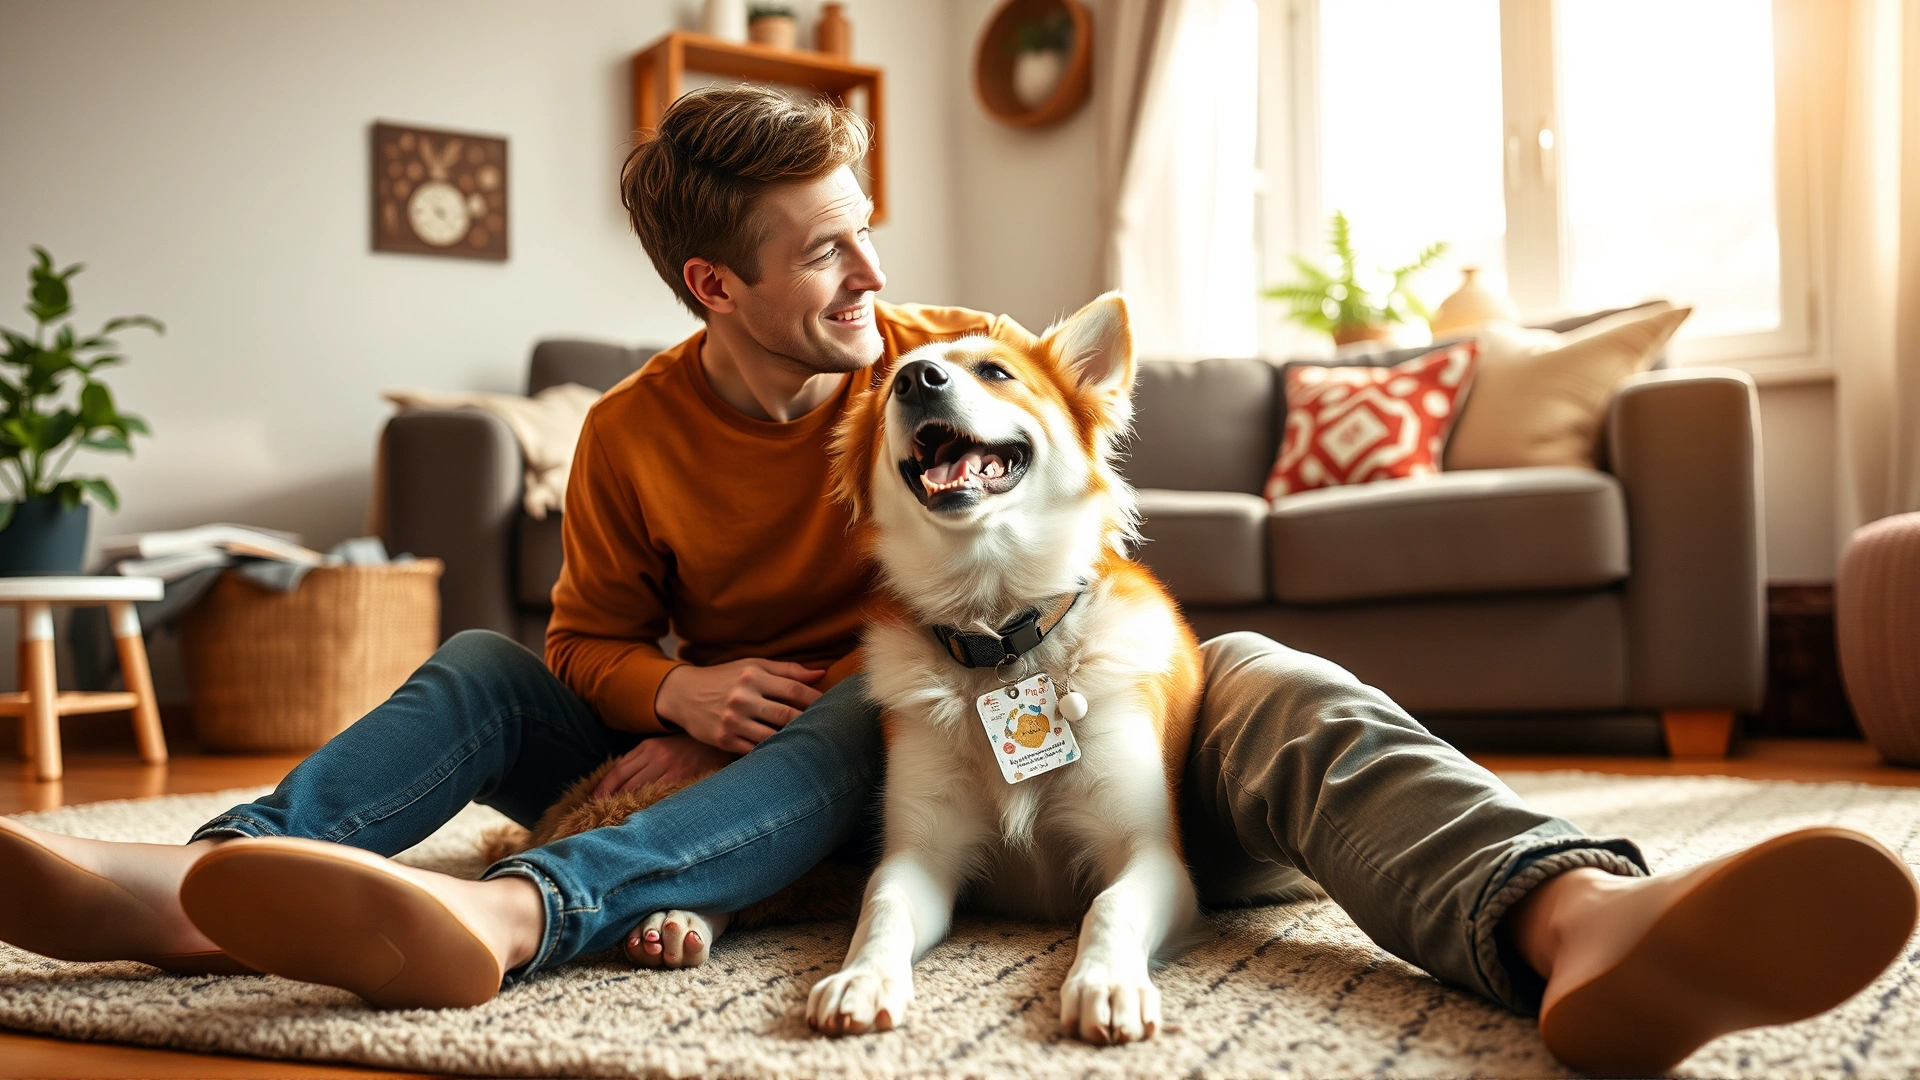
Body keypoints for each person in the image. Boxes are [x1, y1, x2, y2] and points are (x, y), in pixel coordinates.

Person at [0, 86, 1911, 1072]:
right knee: (498, 659)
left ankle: (1586, 934)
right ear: (713, 289)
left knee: (1212, 675)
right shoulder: (639, 431)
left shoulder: (953, 359)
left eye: (866, 238)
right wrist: (658, 700)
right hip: (782, 752)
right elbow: (590, 630)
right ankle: (215, 878)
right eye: (825, 257)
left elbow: (1052, 524)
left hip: (937, 699)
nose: (877, 288)